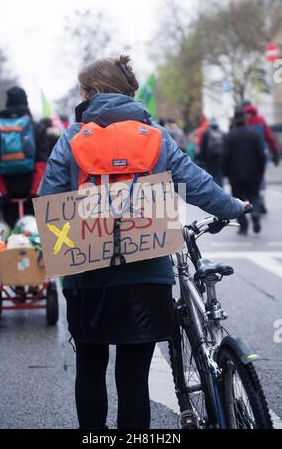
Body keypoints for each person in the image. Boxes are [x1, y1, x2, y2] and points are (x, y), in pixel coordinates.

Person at [41, 55, 248, 430]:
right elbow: (198, 186)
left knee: (89, 367)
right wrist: (235, 206)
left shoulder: (72, 139)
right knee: (134, 377)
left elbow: (49, 200)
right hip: (147, 273)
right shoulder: (155, 136)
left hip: (87, 275)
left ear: (90, 94)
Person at [0, 87, 49, 227]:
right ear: (26, 102)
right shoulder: (36, 128)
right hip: (31, 191)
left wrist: (2, 193)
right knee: (33, 235)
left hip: (7, 192)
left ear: (7, 103)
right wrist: (35, 192)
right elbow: (41, 163)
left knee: (10, 235)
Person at [223, 108, 266, 235]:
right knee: (254, 196)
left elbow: (225, 157)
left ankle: (243, 225)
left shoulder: (230, 136)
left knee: (238, 199)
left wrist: (226, 172)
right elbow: (261, 155)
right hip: (253, 173)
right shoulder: (254, 135)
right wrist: (260, 170)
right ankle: (256, 214)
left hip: (235, 175)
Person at [243, 102, 280, 213]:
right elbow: (270, 137)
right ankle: (260, 201)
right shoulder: (260, 120)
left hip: (246, 158)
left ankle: (252, 201)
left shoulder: (243, 121)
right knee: (260, 180)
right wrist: (275, 154)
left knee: (248, 180)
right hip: (261, 156)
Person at [198, 117, 224, 187]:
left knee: (210, 175)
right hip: (219, 159)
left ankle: (212, 189)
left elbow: (202, 147)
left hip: (209, 159)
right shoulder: (221, 133)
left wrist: (202, 159)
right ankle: (220, 190)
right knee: (219, 175)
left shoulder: (206, 133)